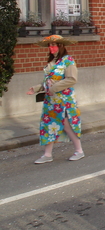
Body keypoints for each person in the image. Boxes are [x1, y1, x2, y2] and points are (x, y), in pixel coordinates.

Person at [26, 35, 84, 164]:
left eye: (53, 45)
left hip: (64, 100)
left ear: (60, 46)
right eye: (49, 46)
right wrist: (36, 89)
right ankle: (47, 154)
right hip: (51, 102)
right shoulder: (52, 62)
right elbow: (48, 82)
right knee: (48, 125)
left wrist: (53, 89)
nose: (50, 48)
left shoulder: (68, 61)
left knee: (67, 125)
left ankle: (79, 151)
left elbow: (72, 79)